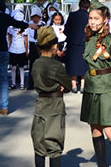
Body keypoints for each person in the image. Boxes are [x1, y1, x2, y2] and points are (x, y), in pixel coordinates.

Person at [80, 6, 111, 167]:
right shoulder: (89, 38)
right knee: (95, 128)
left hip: (107, 85)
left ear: (105, 20)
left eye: (96, 19)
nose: (92, 22)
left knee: (109, 129)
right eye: (90, 18)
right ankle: (101, 164)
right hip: (91, 85)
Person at [31, 26, 71, 167]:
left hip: (41, 105)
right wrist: (61, 86)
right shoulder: (56, 65)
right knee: (54, 146)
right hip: (55, 105)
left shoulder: (36, 64)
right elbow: (68, 86)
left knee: (39, 145)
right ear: (54, 46)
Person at [65, 0, 90, 93]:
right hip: (85, 43)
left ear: (79, 6)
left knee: (73, 65)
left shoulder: (72, 15)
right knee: (84, 65)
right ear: (88, 7)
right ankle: (83, 86)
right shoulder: (89, 17)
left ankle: (74, 86)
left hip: (73, 44)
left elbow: (66, 29)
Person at [7, 13, 29, 90]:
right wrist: (9, 48)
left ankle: (22, 83)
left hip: (21, 49)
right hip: (13, 49)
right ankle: (13, 83)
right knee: (13, 67)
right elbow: (9, 38)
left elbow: (26, 41)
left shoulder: (25, 29)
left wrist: (26, 51)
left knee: (21, 67)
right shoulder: (10, 28)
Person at [27, 6, 45, 90]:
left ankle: (41, 84)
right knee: (32, 65)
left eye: (37, 17)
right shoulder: (29, 24)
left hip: (40, 45)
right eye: (34, 17)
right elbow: (27, 37)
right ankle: (31, 84)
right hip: (32, 45)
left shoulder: (43, 24)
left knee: (41, 66)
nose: (35, 19)